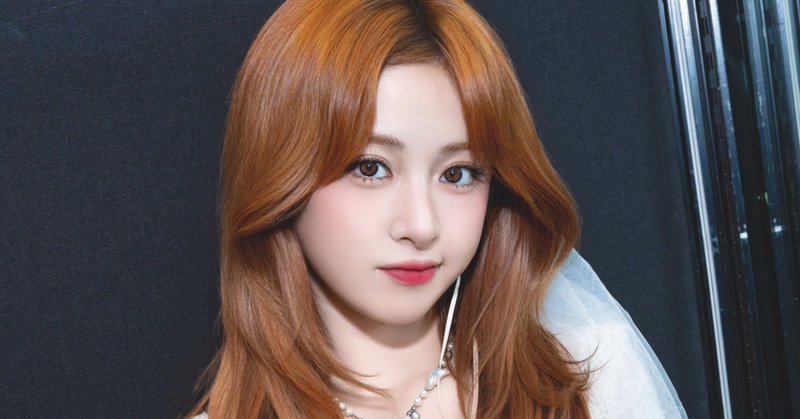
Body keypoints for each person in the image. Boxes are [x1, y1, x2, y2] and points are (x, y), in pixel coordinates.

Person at [188, 0, 687, 417]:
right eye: (370, 168)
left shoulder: (594, 379)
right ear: (279, 175)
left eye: (458, 174)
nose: (422, 226)